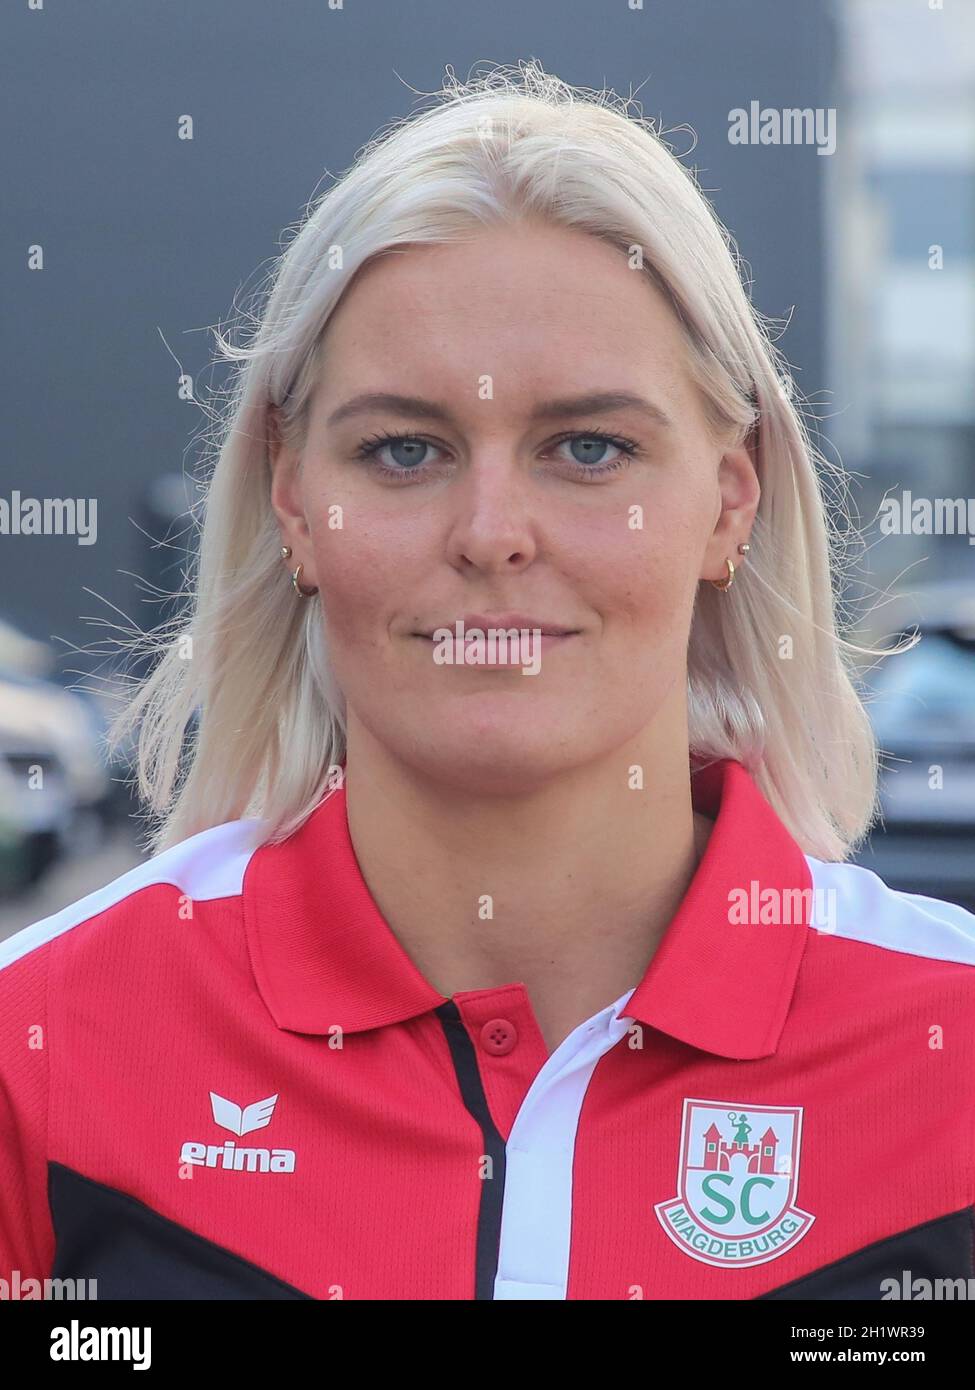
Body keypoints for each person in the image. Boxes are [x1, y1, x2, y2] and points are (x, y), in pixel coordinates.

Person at [2, 60, 974, 1303]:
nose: (491, 533)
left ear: (731, 501)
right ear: (294, 502)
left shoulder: (948, 1048)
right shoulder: (44, 1045)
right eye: (405, 450)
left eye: (590, 447)